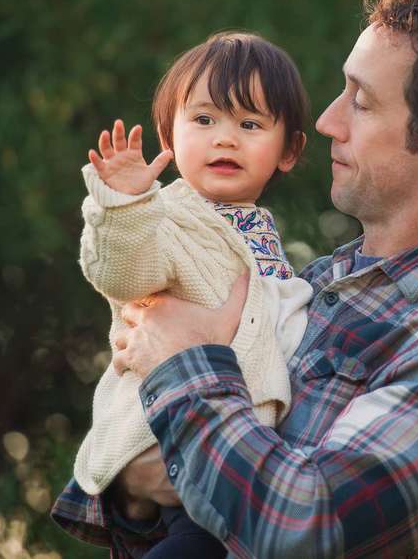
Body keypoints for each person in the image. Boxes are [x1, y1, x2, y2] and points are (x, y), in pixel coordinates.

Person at [53, 0, 418, 557]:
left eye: (361, 102)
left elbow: (303, 529)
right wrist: (135, 491)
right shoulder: (308, 286)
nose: (326, 122)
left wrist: (183, 366)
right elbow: (177, 492)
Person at [68, 31, 313, 557]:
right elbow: (123, 272)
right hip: (171, 438)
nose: (225, 138)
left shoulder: (266, 235)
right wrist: (126, 206)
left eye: (250, 124)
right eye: (204, 120)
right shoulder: (167, 217)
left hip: (234, 450)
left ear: (289, 148)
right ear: (168, 136)